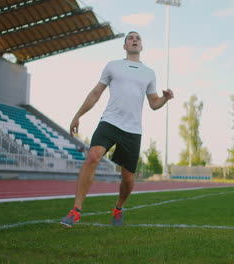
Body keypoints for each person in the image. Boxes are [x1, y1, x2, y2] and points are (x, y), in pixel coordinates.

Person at [60, 31, 174, 227]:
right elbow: (96, 93)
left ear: (142, 46)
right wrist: (77, 116)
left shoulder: (149, 73)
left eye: (138, 38)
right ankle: (76, 210)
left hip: (133, 130)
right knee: (93, 156)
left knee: (128, 178)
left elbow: (153, 103)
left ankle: (118, 207)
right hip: (110, 122)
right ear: (125, 46)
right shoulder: (113, 66)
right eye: (130, 38)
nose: (134, 40)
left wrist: (164, 98)